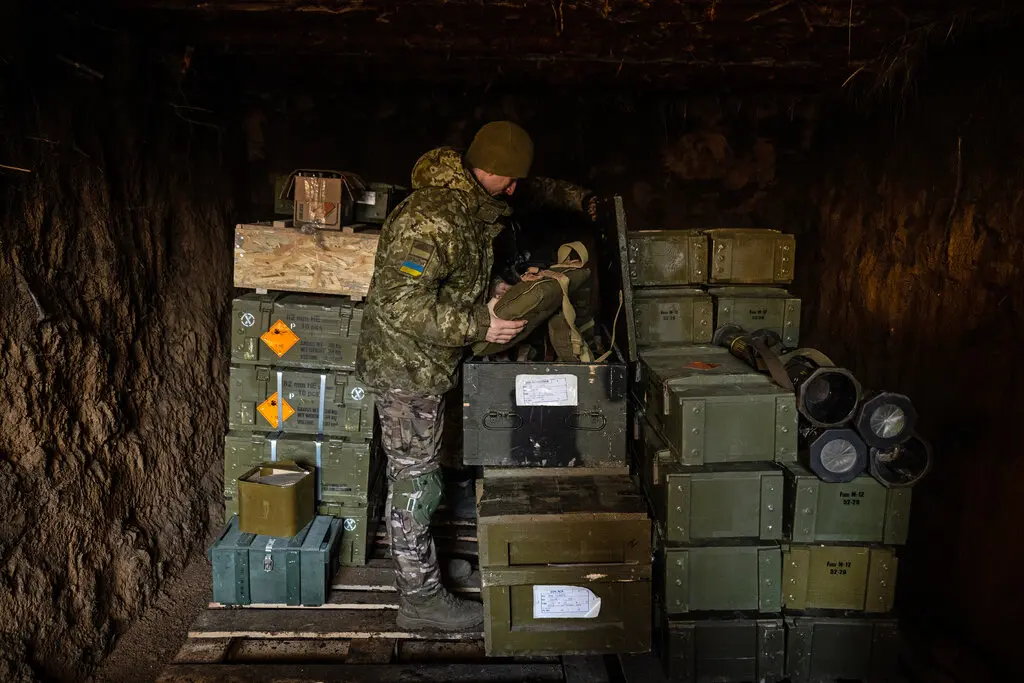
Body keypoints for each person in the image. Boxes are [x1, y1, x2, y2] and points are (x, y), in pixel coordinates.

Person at [354, 120, 596, 631]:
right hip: (405, 368)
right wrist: (479, 322)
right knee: (415, 484)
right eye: (508, 179)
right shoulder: (430, 219)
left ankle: (425, 569)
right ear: (484, 168)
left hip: (427, 361)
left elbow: (452, 281)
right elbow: (398, 303)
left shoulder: (463, 210)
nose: (513, 189)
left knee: (425, 477)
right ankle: (419, 600)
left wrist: (501, 290)